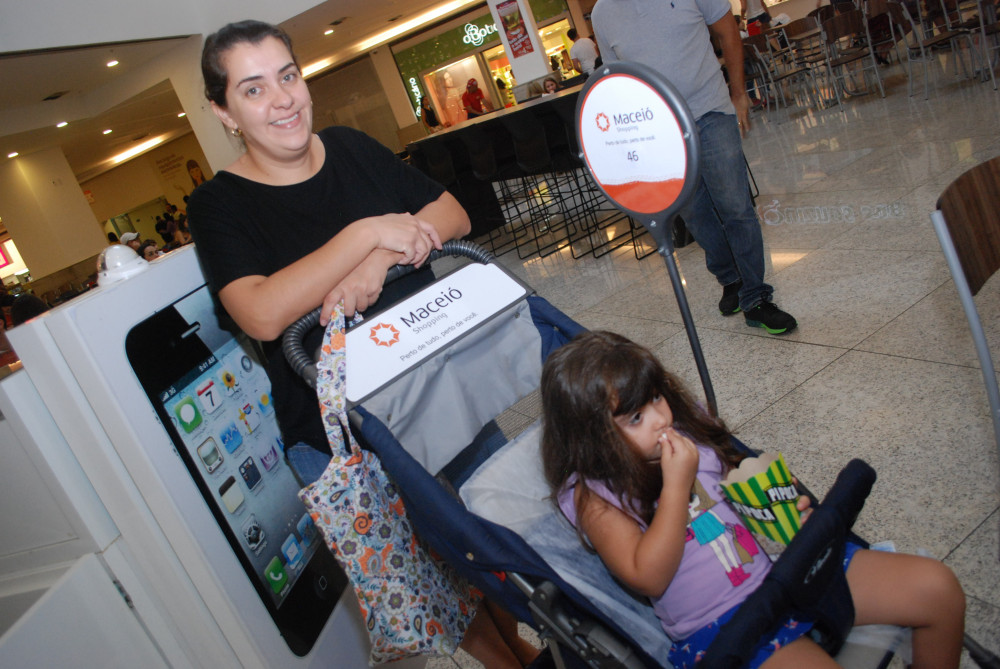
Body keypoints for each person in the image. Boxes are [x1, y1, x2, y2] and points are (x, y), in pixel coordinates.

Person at [187, 20, 539, 668]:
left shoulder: (348, 147)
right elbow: (260, 313)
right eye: (254, 89)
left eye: (288, 76)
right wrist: (367, 234)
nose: (283, 100)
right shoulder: (219, 204)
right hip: (342, 437)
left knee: (499, 534)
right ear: (224, 111)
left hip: (434, 388)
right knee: (434, 583)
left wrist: (376, 264)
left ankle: (522, 650)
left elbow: (450, 213)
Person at [540, 330, 965, 669]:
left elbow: (732, 483)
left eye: (655, 397)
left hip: (786, 572)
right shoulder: (596, 498)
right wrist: (676, 488)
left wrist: (775, 502)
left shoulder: (686, 434)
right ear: (594, 437)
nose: (661, 419)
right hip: (728, 626)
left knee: (937, 589)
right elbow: (647, 577)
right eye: (636, 417)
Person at [593, 0, 798, 334]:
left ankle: (756, 298)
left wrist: (738, 92)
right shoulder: (603, 13)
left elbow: (728, 31)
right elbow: (619, 80)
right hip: (661, 130)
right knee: (695, 215)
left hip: (711, 110)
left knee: (735, 207)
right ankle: (730, 277)